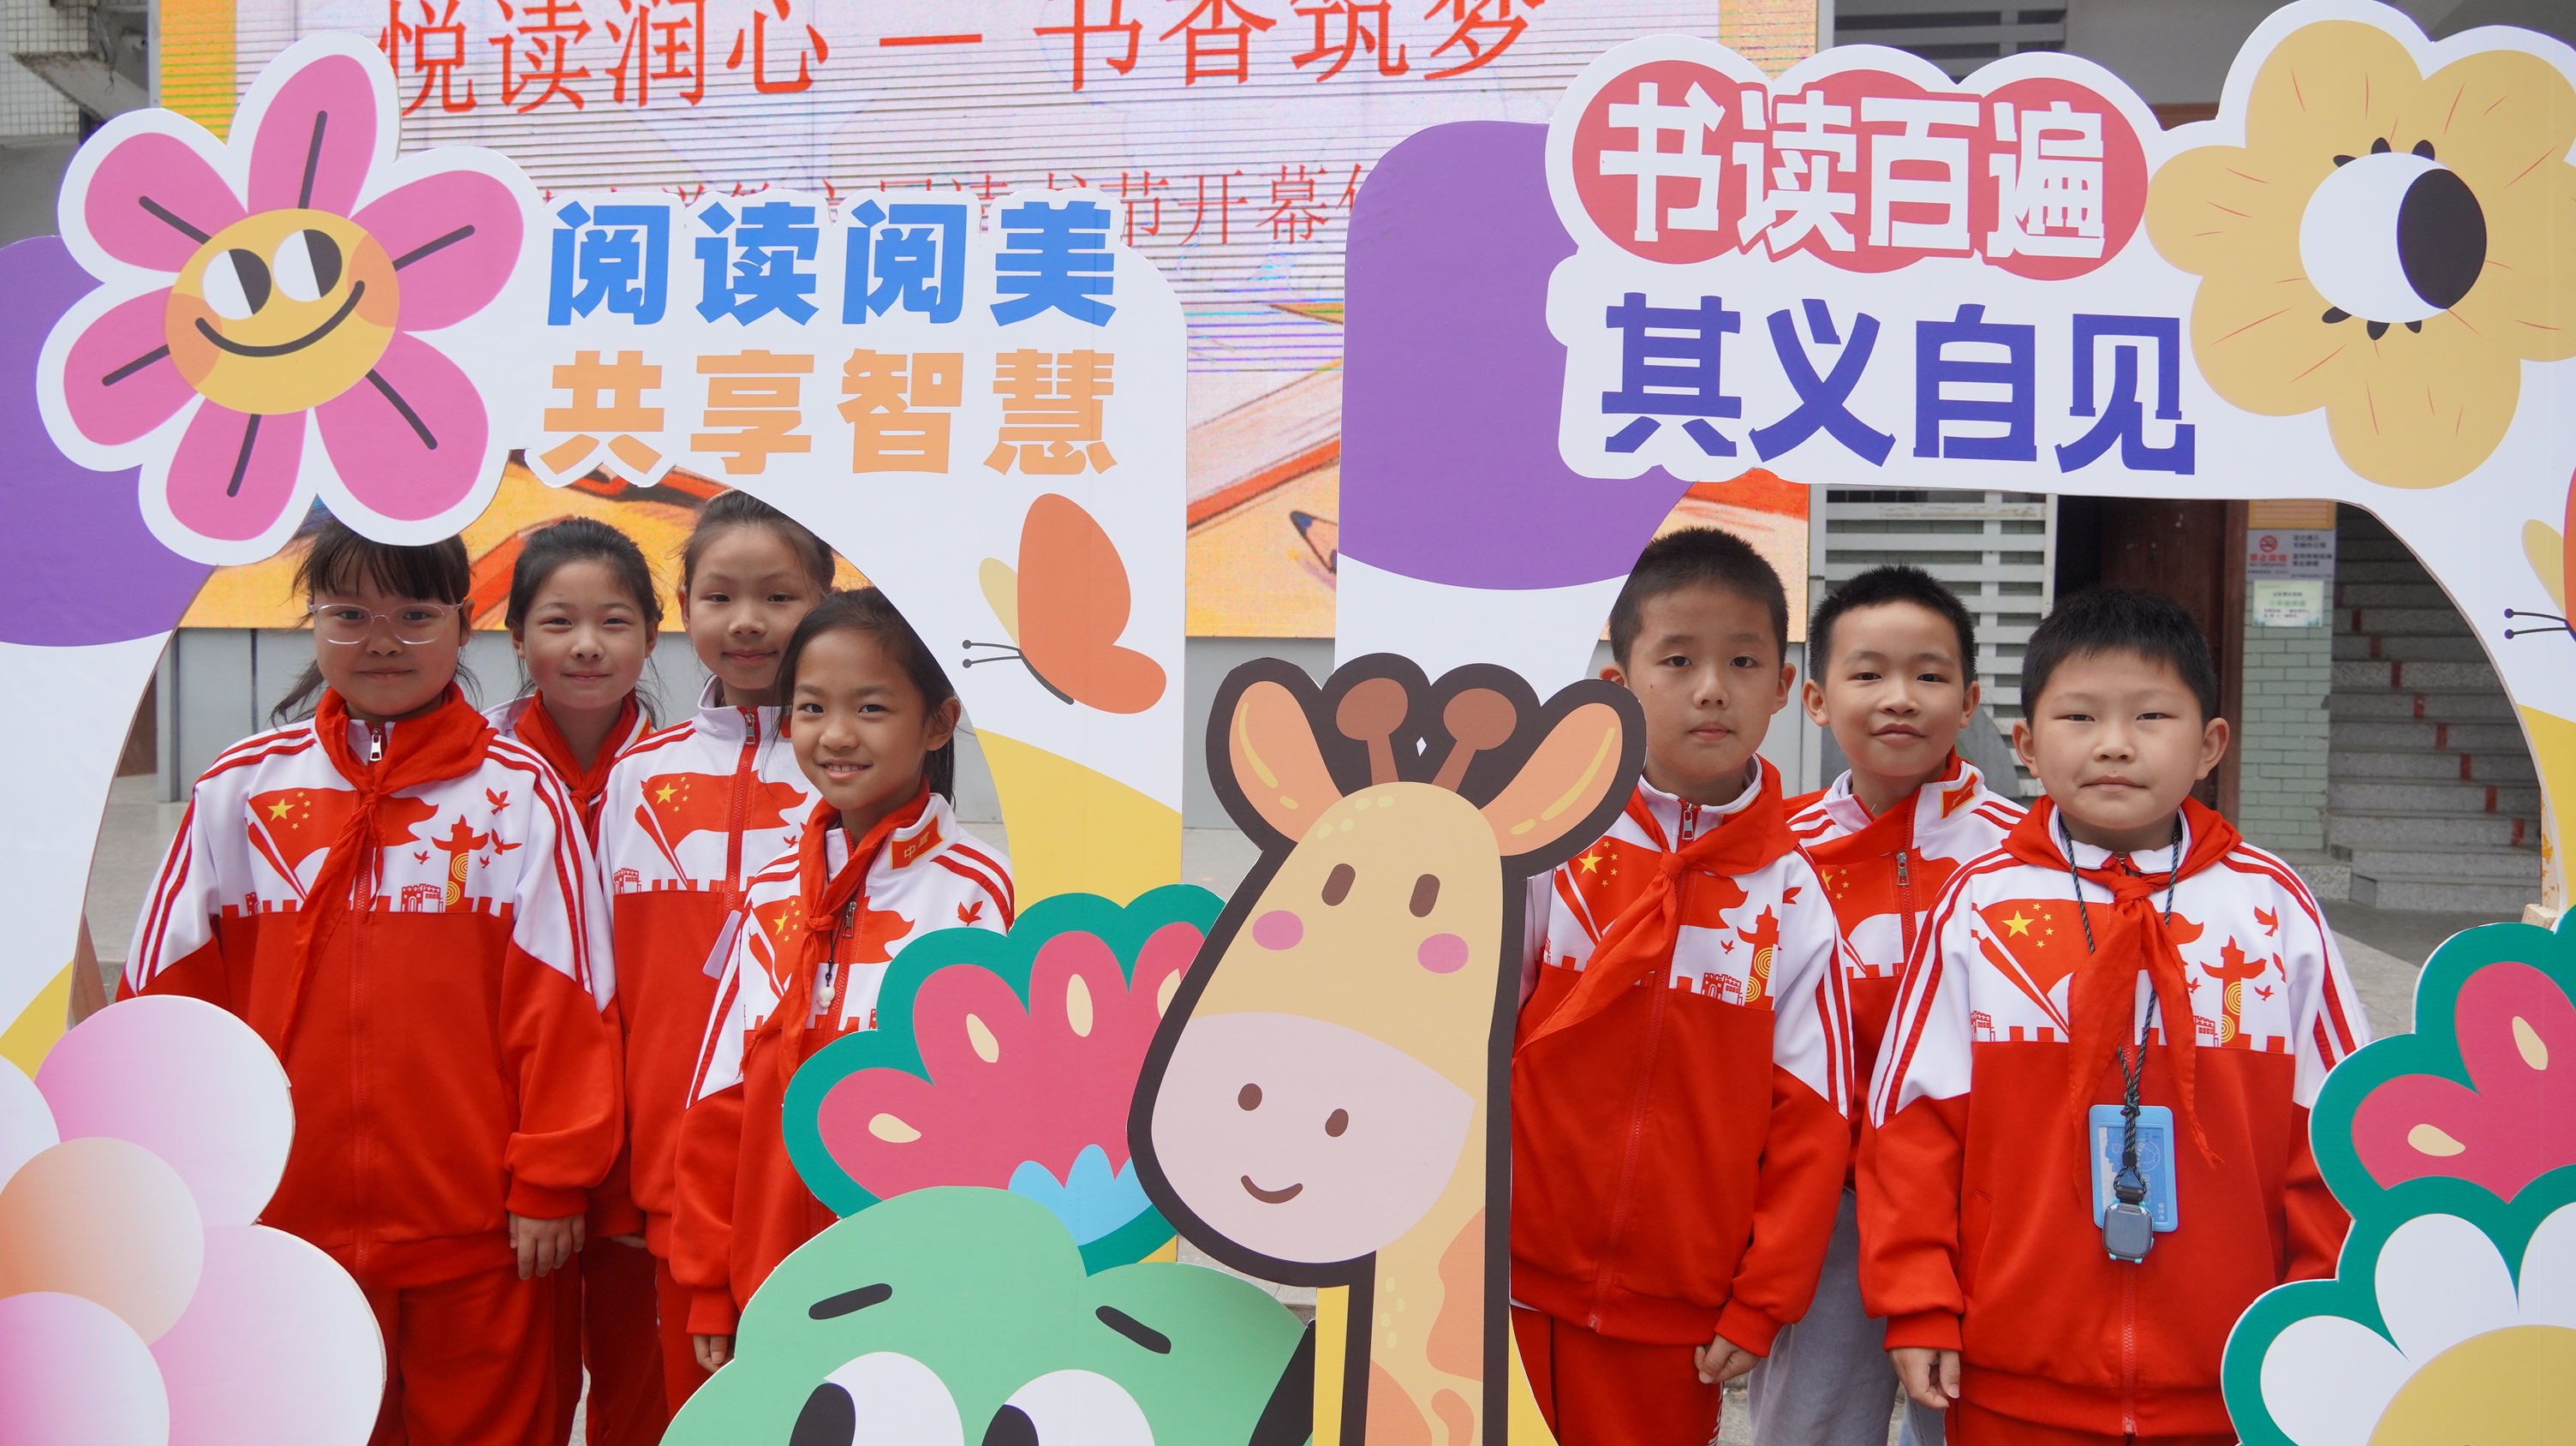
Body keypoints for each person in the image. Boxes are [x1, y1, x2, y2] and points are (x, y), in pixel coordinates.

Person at [124, 517, 620, 1446]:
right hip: (281, 1233)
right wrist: (184, 1183)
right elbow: (165, 1011)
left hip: (481, 1234)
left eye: (414, 614)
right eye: (349, 613)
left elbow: (569, 1006)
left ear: (464, 623)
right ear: (311, 622)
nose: (382, 640)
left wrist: (551, 1179)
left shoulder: (520, 796)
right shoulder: (242, 791)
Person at [1861, 589, 2370, 1446]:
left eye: (2151, 715)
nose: (2113, 743)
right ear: (2026, 743)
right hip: (2011, 1380)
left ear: (2209, 744)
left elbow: (2338, 1133)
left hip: (2233, 1382)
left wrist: (2319, 1314)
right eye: (2078, 715)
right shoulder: (1979, 905)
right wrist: (1917, 1301)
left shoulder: (2272, 908)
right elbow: (1910, 1125)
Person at [1511, 527, 1856, 1445]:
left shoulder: (1793, 896)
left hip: (1676, 1315)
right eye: (1677, 659)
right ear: (1617, 684)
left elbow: (1813, 1119)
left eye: (1742, 661)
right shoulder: (1553, 842)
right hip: (1503, 1279)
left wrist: (1763, 1298)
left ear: (1783, 686)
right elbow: (1471, 1033)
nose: (1711, 688)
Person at [673, 588, 1015, 1371]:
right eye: (811, 707)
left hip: (922, 1301)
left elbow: (995, 1122)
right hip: (770, 1289)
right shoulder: (770, 893)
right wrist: (711, 1282)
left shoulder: (978, 891)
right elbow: (719, 1099)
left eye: (870, 708)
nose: (835, 735)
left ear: (938, 722)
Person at [1759, 566, 2026, 1446]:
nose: (1900, 698)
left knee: (1964, 1419)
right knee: (1806, 1424)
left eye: (1929, 674)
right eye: (1868, 673)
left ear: (1970, 700)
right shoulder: (1773, 852)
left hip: (1976, 1203)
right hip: (1822, 1203)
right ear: (1814, 698)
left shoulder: (2025, 857)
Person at [594, 491, 832, 1413]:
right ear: (683, 608)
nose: (747, 622)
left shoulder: (847, 769)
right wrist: (616, 1176)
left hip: (807, 1172)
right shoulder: (636, 778)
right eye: (719, 597)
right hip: (663, 1175)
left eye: (779, 596)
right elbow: (601, 989)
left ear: (825, 601)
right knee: (680, 1409)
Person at [488, 517, 665, 1446]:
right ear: (515, 636)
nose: (587, 645)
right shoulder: (482, 780)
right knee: (524, 1387)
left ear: (652, 635)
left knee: (643, 1382)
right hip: (518, 1144)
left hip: (651, 1139)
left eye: (614, 621)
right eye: (558, 621)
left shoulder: (682, 777)